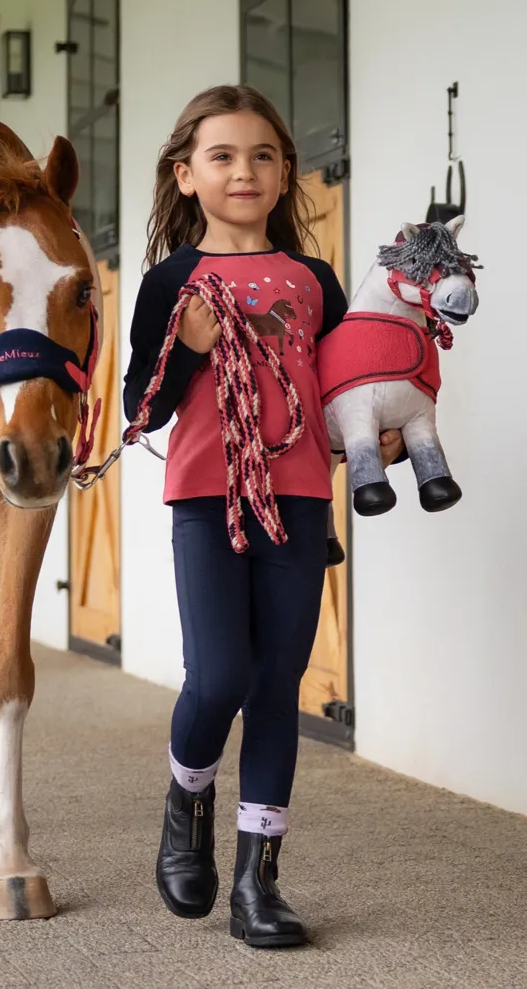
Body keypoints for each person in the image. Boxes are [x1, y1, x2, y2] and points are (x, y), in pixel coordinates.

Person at [122, 85, 404, 948]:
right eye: (223, 155)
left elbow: (335, 395)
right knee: (218, 678)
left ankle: (257, 883)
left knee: (276, 684)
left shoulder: (315, 281)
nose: (243, 170)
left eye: (262, 156)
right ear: (186, 174)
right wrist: (192, 350)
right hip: (208, 501)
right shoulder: (170, 281)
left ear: (285, 176)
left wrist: (374, 443)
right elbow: (142, 403)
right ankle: (186, 797)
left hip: (299, 500)